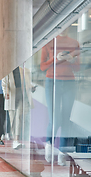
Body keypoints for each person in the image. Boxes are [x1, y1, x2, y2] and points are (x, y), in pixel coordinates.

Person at [40, 29, 80, 166]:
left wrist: (71, 59)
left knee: (66, 119)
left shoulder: (74, 43)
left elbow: (78, 67)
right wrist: (55, 58)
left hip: (69, 83)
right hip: (52, 82)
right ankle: (49, 145)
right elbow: (42, 67)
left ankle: (62, 152)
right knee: (54, 119)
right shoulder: (49, 42)